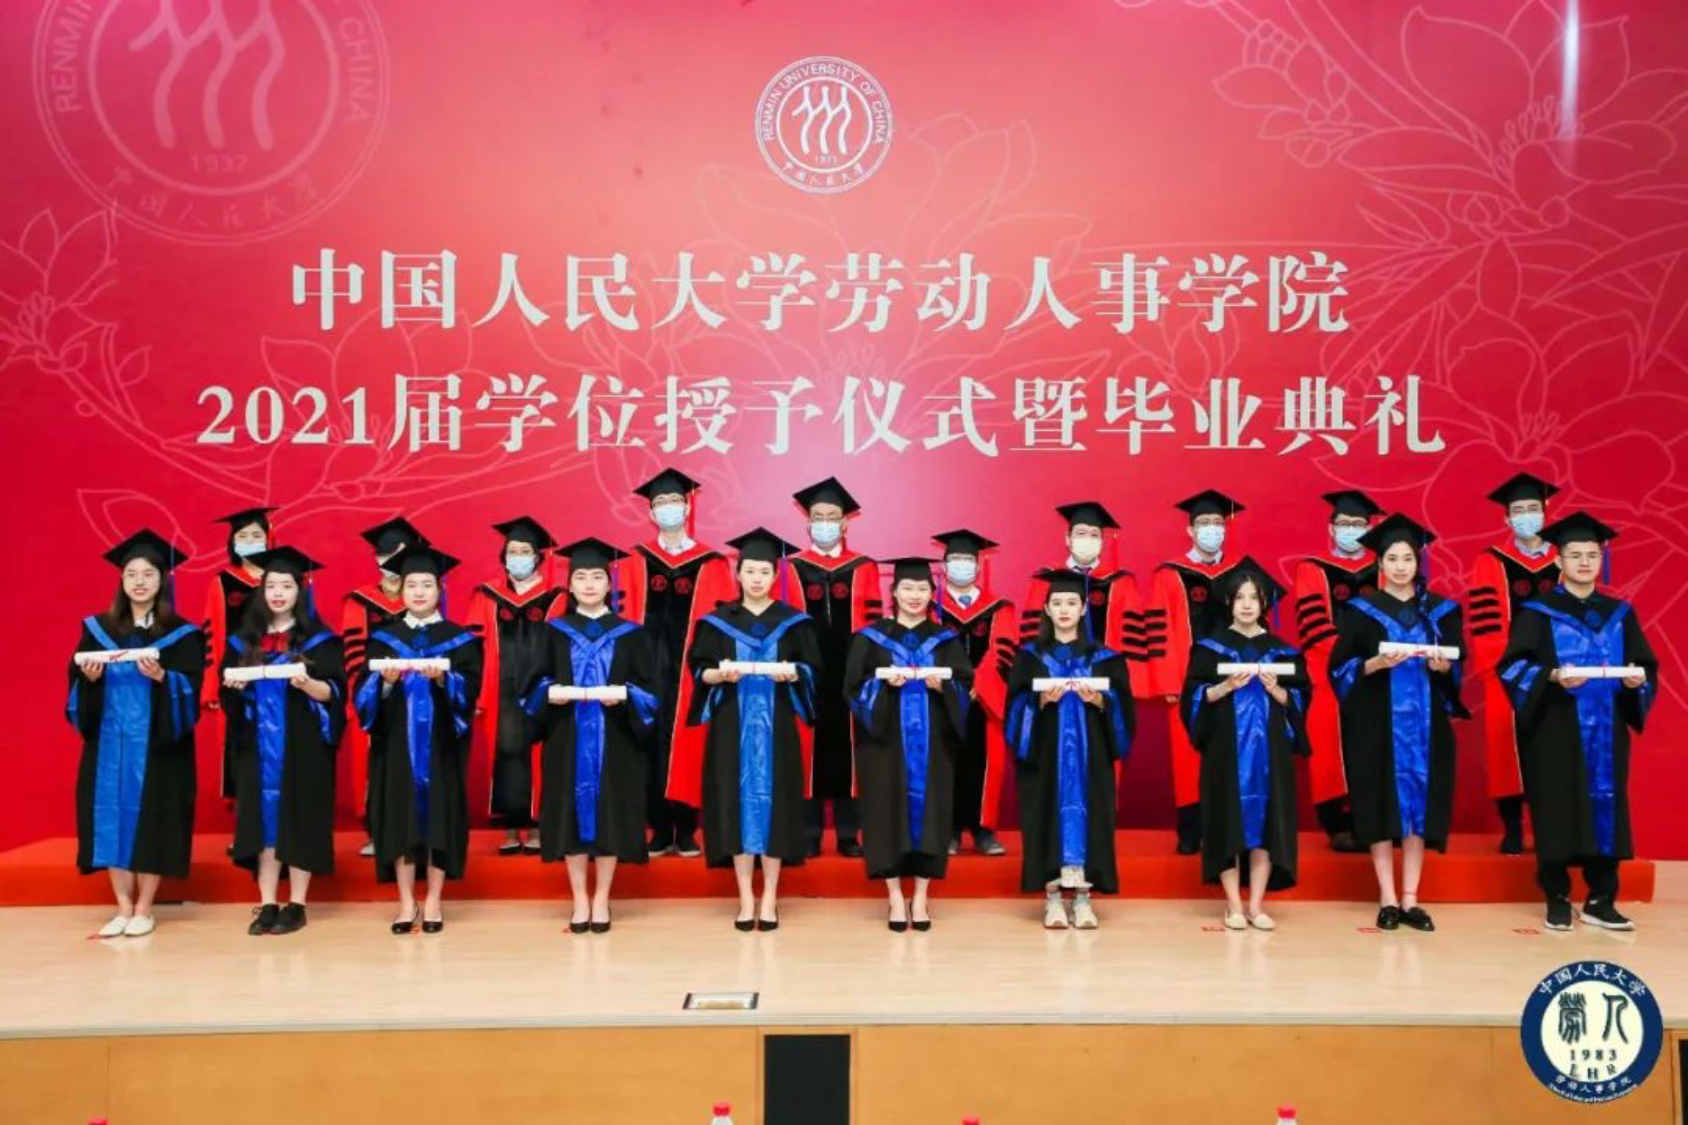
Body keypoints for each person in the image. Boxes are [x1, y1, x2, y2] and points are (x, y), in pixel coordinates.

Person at [1498, 512, 1657, 931]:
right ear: (1559, 560)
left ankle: (1601, 898)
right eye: (1575, 555)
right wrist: (1551, 676)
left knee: (1607, 802)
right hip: (1554, 726)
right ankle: (1557, 895)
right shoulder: (1537, 612)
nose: (1585, 562)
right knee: (1556, 804)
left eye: (1592, 555)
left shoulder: (1619, 613)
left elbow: (1644, 665)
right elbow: (1512, 667)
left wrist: (1637, 680)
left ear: (1602, 559)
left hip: (1606, 729)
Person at [1329, 514, 1467, 933]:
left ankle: (1411, 898)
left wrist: (1444, 667)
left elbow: (1457, 667)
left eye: (1408, 558)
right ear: (1380, 564)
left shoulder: (1441, 612)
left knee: (1419, 807)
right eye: (1392, 558)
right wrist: (1375, 663)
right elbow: (1339, 669)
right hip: (1375, 723)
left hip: (1427, 726)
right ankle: (1387, 897)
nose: (1401, 566)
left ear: (1418, 562)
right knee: (1379, 804)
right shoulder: (1360, 612)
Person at [67, 530, 205, 938]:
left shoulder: (182, 633)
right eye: (131, 574)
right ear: (121, 580)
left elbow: (192, 689)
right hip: (109, 744)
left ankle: (145, 907)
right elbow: (76, 682)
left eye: (148, 574)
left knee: (152, 821)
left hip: (158, 746)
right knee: (110, 817)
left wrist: (163, 677)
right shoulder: (98, 629)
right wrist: (89, 679)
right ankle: (123, 907)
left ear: (163, 580)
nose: (139, 582)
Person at [685, 528, 822, 931]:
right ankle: (746, 897)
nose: (757, 578)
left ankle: (770, 898)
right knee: (735, 805)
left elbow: (812, 672)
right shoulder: (717, 622)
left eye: (765, 571)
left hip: (778, 727)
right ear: (738, 574)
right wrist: (720, 674)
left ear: (775, 575)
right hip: (731, 726)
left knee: (776, 808)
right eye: (750, 571)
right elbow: (700, 671)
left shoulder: (793, 623)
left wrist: (793, 674)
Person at [525, 538, 660, 934]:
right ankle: (579, 899)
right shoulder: (553, 633)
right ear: (570, 585)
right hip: (566, 737)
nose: (588, 584)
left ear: (609, 583)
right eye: (581, 577)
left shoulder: (630, 634)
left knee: (611, 815)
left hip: (616, 739)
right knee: (569, 814)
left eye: (597, 577)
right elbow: (533, 685)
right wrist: (550, 692)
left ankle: (601, 898)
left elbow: (650, 690)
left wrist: (626, 694)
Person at [353, 544, 483, 935]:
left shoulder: (460, 640)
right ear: (401, 590)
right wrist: (384, 684)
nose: (419, 592)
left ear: (440, 589)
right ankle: (407, 902)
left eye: (427, 584)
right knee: (400, 820)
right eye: (411, 585)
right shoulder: (384, 639)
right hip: (396, 746)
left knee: (439, 819)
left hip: (442, 746)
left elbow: (471, 693)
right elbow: (363, 698)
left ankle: (434, 901)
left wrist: (445, 679)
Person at [845, 557, 974, 931]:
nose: (914, 595)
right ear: (894, 592)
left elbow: (964, 686)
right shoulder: (870, 638)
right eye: (907, 588)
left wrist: (944, 687)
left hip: (934, 744)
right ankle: (894, 898)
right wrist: (881, 685)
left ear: (932, 593)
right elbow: (852, 688)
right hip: (884, 743)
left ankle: (920, 897)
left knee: (931, 813)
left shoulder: (946, 640)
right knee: (884, 812)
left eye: (922, 589)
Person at [220, 546, 343, 936]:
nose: (277, 593)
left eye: (286, 586)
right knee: (263, 820)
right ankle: (269, 901)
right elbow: (228, 694)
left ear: (299, 591)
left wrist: (307, 684)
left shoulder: (319, 641)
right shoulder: (243, 641)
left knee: (301, 817)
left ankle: (298, 903)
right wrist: (234, 687)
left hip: (303, 745)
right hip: (256, 747)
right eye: (271, 585)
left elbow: (334, 693)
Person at [616, 468, 738, 859]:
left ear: (687, 508)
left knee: (690, 742)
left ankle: (686, 829)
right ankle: (657, 828)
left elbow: (721, 622)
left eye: (675, 501)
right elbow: (624, 618)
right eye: (661, 503)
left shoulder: (711, 562)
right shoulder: (634, 561)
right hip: (647, 669)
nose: (668, 508)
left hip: (690, 670)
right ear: (651, 513)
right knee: (647, 741)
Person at [1004, 570, 1135, 929]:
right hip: (1045, 758)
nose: (1064, 609)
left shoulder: (1106, 658)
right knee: (1045, 817)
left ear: (1083, 609)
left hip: (1091, 759)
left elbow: (1124, 709)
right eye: (1057, 603)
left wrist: (1102, 701)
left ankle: (1082, 899)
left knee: (1093, 819)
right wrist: (1038, 701)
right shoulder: (1029, 658)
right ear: (1046, 609)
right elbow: (1013, 708)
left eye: (1072, 603)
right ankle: (1052, 899)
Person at [1181, 564, 1308, 930]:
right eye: (1240, 598)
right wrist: (1226, 687)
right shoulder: (1209, 649)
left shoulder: (1283, 652)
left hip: (1271, 753)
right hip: (1225, 751)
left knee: (1267, 824)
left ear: (1265, 603)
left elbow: (1299, 700)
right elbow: (1193, 698)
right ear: (1229, 603)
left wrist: (1274, 688)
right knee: (1226, 822)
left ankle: (1256, 905)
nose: (1248, 604)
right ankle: (1233, 905)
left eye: (1255, 598)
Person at [1146, 491, 1248, 855]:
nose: (1212, 529)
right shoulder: (1169, 574)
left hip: (1236, 679)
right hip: (1187, 680)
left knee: (1233, 752)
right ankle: (1191, 831)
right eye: (1204, 523)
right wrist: (1169, 681)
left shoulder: (1241, 572)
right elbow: (1159, 630)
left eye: (1218, 523)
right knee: (1188, 756)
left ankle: (1229, 830)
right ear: (1190, 530)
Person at [783, 477, 880, 858]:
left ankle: (848, 833)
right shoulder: (791, 567)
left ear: (844, 523)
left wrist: (869, 668)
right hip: (807, 670)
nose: (825, 523)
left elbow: (873, 622)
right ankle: (808, 831)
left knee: (850, 748)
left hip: (851, 670)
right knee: (808, 745)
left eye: (832, 517)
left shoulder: (864, 567)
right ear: (808, 523)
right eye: (818, 517)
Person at [1468, 472, 1562, 854]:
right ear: (1506, 518)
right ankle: (1513, 827)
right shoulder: (1491, 562)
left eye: (1532, 508)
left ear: (1546, 510)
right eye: (1518, 510)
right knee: (1507, 749)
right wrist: (1507, 670)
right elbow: (1486, 624)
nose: (1526, 516)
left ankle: (1552, 827)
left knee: (1554, 748)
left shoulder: (1565, 557)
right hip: (1507, 671)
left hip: (1559, 672)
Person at [467, 516, 567, 855]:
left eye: (525, 551)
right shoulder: (487, 596)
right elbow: (474, 647)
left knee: (539, 755)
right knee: (506, 753)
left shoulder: (555, 597)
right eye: (512, 551)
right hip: (500, 690)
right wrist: (477, 693)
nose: (518, 557)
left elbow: (562, 647)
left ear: (538, 556)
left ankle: (538, 826)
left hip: (541, 688)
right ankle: (510, 828)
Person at [1291, 490, 1382, 853]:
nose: (1351, 530)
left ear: (1369, 528)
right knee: (1330, 746)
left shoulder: (1385, 567)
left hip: (1377, 673)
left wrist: (1374, 660)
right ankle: (1336, 824)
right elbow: (1313, 625)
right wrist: (1351, 659)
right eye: (1344, 524)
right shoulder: (1312, 569)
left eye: (1358, 524)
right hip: (1327, 673)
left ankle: (1373, 821)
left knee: (1374, 745)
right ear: (1331, 529)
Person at [342, 516, 429, 855]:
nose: (390, 559)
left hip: (417, 696)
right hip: (376, 695)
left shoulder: (423, 596)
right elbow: (353, 655)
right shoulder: (360, 601)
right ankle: (377, 832)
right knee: (374, 763)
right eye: (384, 552)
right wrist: (368, 692)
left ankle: (416, 831)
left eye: (399, 552)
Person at [932, 529, 1016, 856]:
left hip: (984, 700)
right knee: (945, 761)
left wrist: (977, 686)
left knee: (985, 764)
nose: (961, 565)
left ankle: (984, 830)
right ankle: (949, 830)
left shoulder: (999, 608)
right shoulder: (931, 606)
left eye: (968, 559)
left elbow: (1003, 651)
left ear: (979, 566)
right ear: (943, 565)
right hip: (942, 697)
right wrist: (952, 686)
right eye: (955, 559)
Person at [1020, 502, 1150, 696]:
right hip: (1054, 684)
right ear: (1068, 539)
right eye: (1081, 534)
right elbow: (1033, 632)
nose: (1087, 540)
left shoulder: (1121, 582)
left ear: (1102, 542)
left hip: (1107, 682)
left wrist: (1126, 684)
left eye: (1094, 535)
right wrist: (1037, 677)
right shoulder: (1045, 579)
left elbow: (1132, 638)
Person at [199, 507, 275, 829]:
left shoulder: (284, 578)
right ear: (232, 542)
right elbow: (212, 635)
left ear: (269, 539)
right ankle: (246, 830)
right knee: (241, 751)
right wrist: (211, 686)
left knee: (277, 751)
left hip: (278, 678)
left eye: (257, 535)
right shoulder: (223, 583)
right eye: (242, 536)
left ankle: (278, 829)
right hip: (237, 683)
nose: (250, 541)